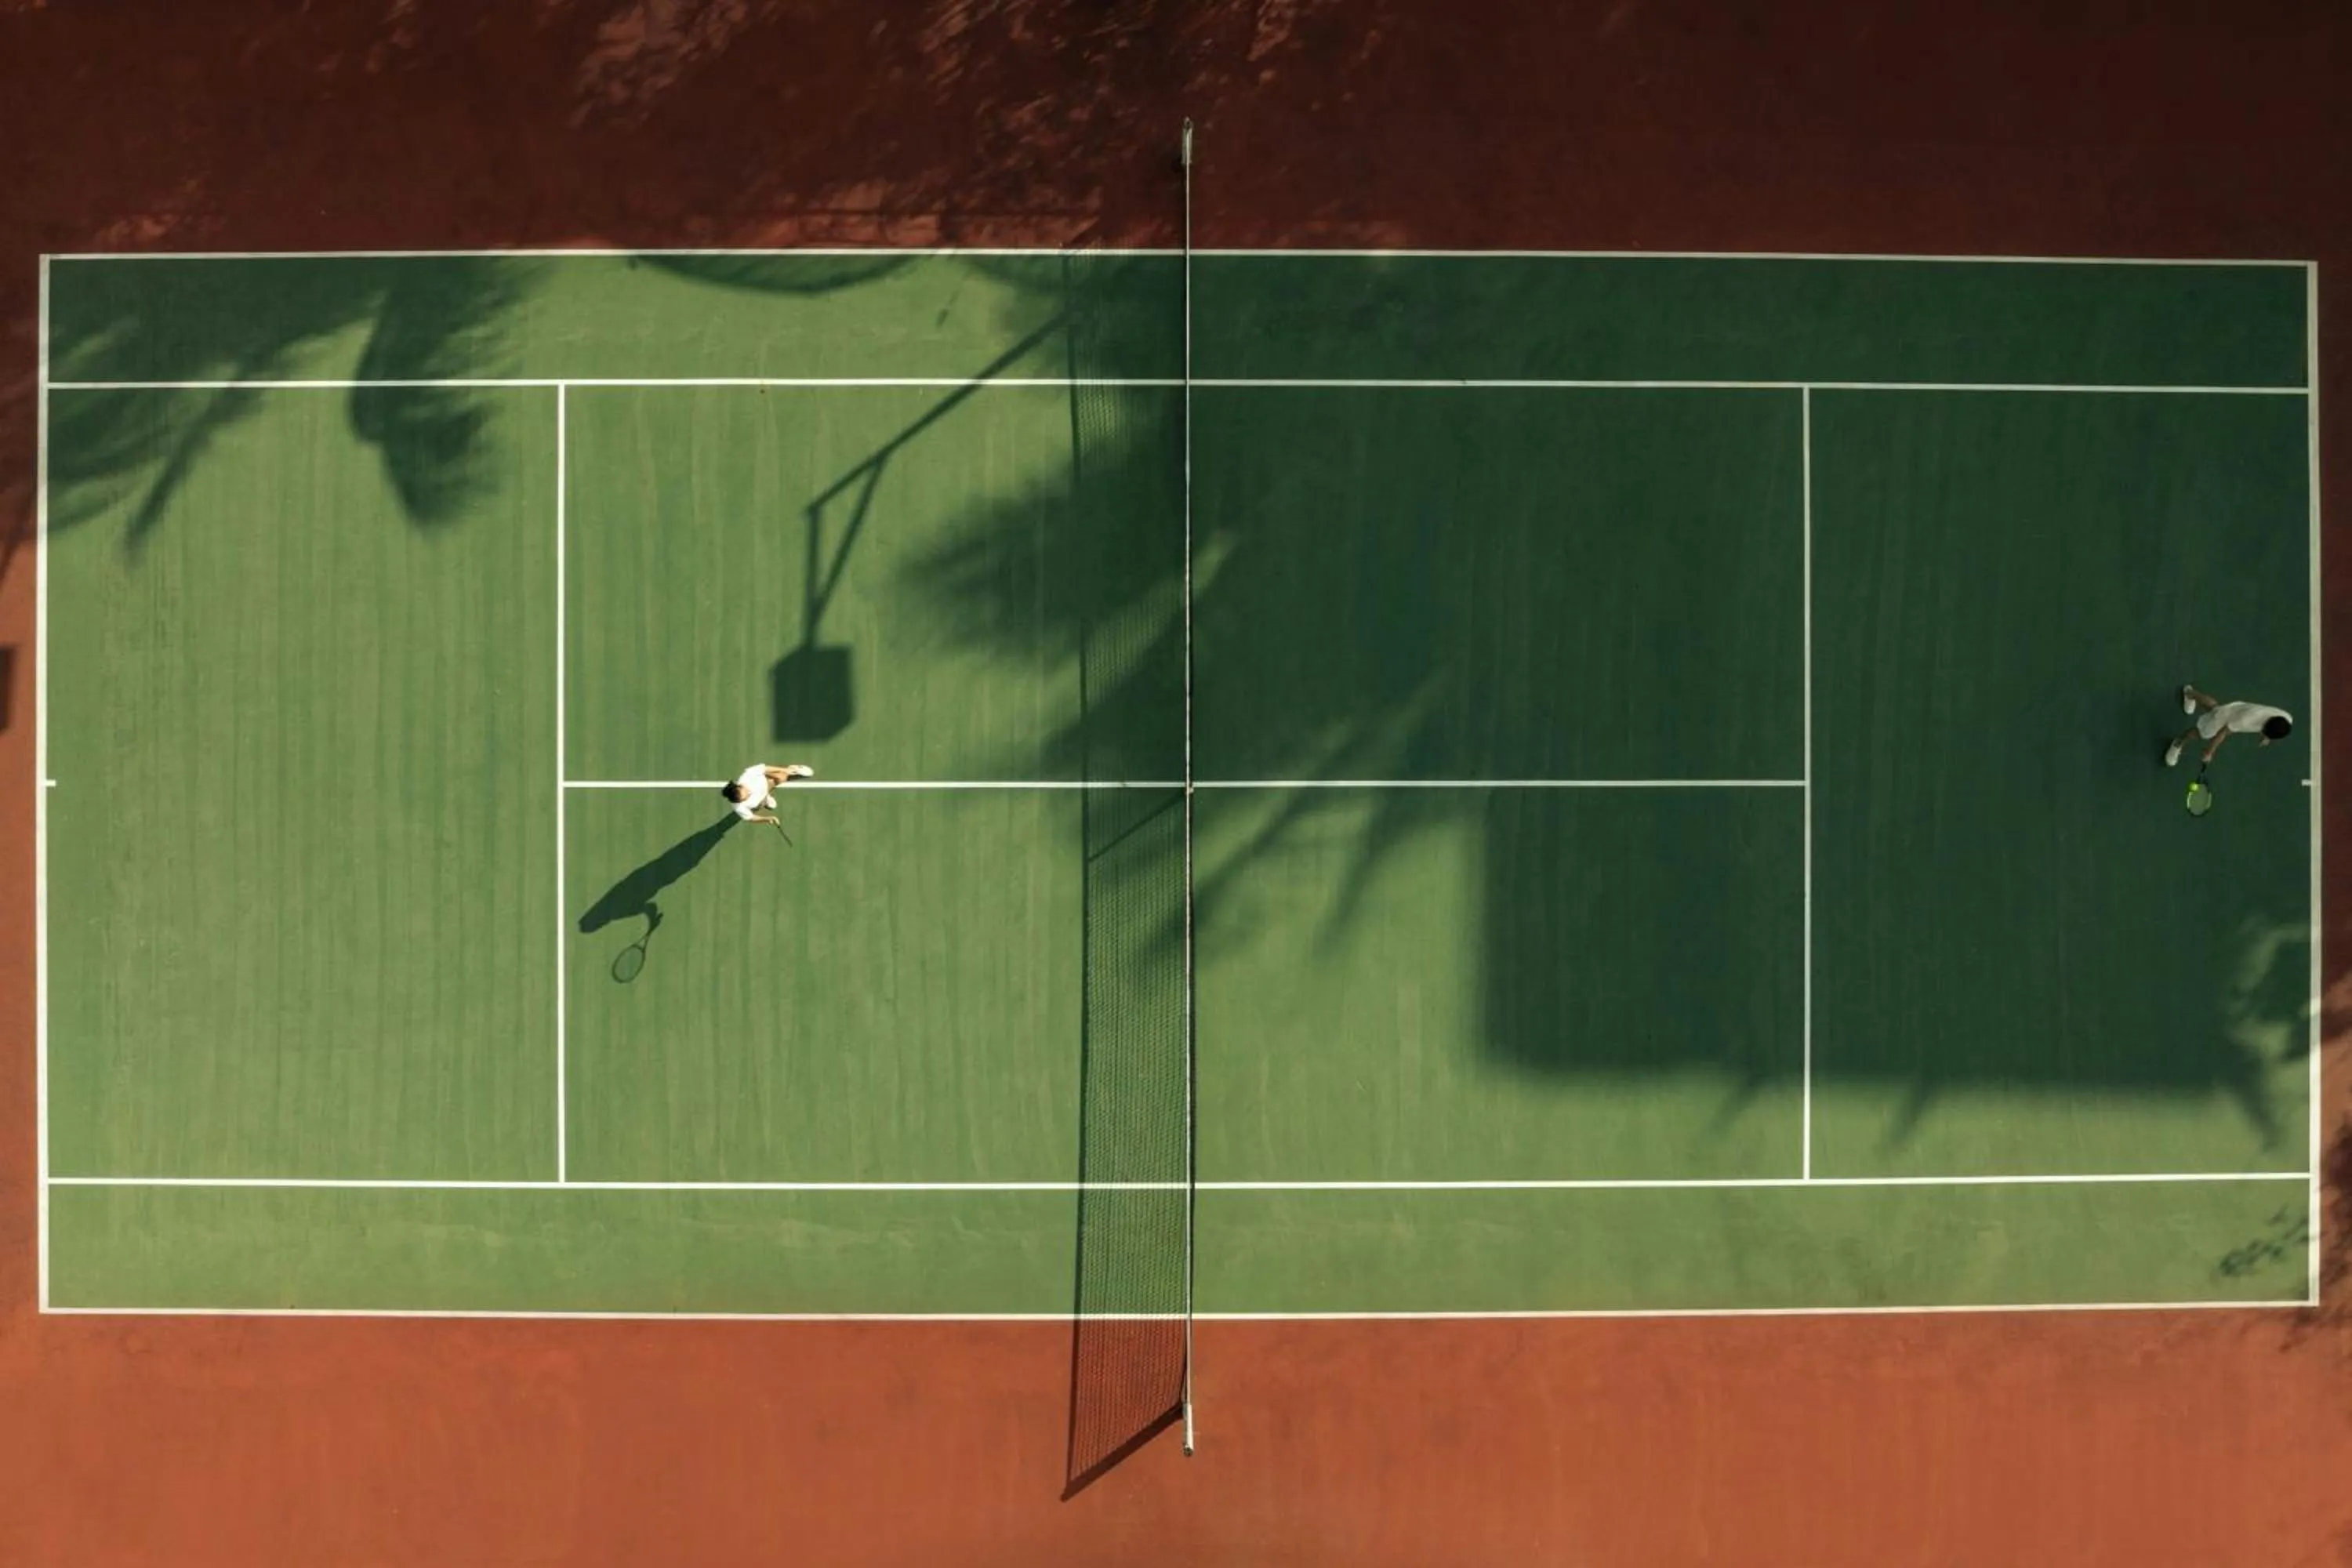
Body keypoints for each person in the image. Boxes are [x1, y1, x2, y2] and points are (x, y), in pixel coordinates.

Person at [2165, 684, 2292, 768]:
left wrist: (2267, 736)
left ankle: (2190, 693)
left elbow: (2271, 729)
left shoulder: (2286, 718)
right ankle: (2178, 743)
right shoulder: (2246, 720)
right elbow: (2223, 733)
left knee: (2215, 708)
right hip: (2229, 718)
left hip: (2238, 709)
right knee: (2202, 733)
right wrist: (2210, 752)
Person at [722, 762, 815, 823]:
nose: (747, 797)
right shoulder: (738, 806)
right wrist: (768, 819)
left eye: (745, 795)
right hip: (761, 800)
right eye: (744, 799)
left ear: (740, 786)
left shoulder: (747, 776)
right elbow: (751, 818)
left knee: (781, 777)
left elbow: (765, 768)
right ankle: (766, 799)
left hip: (766, 780)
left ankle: (794, 770)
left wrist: (786, 770)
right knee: (758, 807)